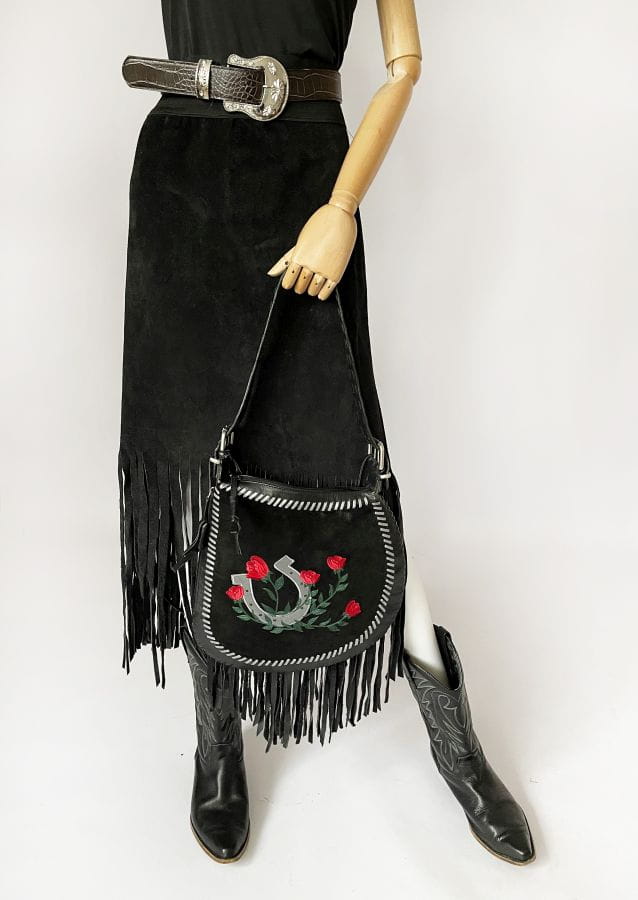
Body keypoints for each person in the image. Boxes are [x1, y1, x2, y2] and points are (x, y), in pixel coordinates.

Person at [118, 0, 534, 866]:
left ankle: (455, 745)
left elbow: (403, 66)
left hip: (309, 181)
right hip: (179, 178)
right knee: (196, 459)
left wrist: (342, 207)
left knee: (342, 455)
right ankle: (216, 739)